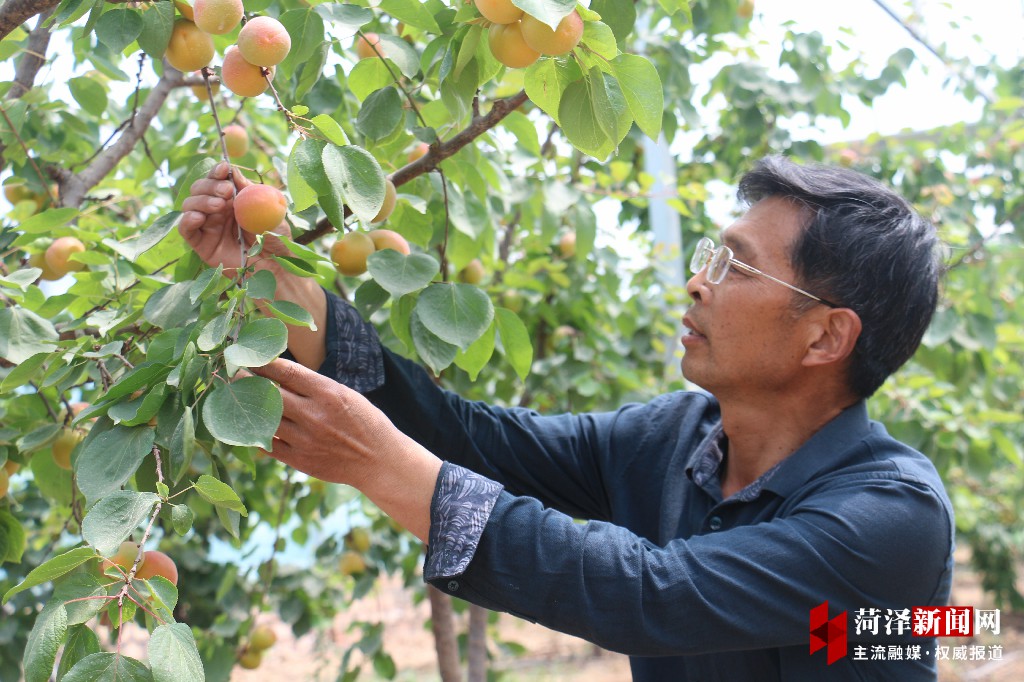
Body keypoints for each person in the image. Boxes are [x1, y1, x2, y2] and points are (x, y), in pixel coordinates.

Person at [180, 156, 954, 680]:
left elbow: (650, 596)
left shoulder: (892, 518)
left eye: (733, 265)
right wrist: (279, 276)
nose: (697, 283)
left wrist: (384, 467)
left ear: (826, 335)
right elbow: (471, 440)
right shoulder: (673, 439)